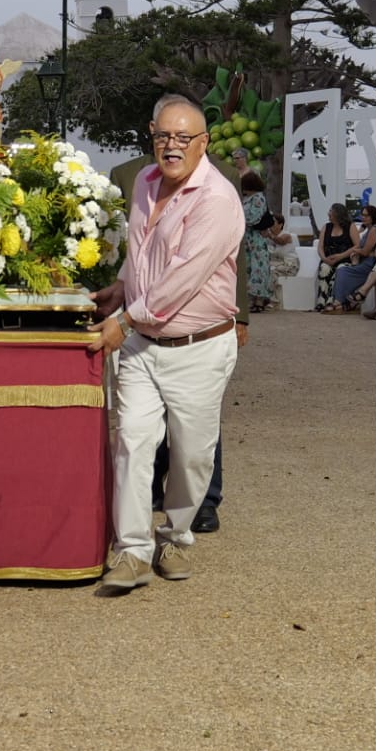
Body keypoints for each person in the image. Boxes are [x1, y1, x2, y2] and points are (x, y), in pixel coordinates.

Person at [91, 95, 241, 590]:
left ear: (204, 143)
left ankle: (174, 535)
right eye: (163, 137)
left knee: (193, 456)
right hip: (143, 347)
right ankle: (132, 551)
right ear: (152, 135)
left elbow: (181, 280)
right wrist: (121, 285)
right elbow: (143, 253)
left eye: (183, 138)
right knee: (132, 440)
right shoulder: (143, 183)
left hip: (199, 347)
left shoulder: (217, 200)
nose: (171, 147)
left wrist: (124, 320)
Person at [327, 205, 376, 313]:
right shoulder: (367, 228)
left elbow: (365, 251)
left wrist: (355, 251)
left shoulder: (374, 229)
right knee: (342, 269)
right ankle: (341, 303)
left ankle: (339, 303)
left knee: (343, 271)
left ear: (373, 217)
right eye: (362, 215)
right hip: (364, 261)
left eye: (366, 215)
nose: (363, 217)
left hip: (369, 263)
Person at [239, 172, 274, 311]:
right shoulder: (247, 198)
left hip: (256, 238)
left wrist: (239, 219)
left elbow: (254, 217)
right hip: (247, 237)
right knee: (248, 267)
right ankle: (251, 299)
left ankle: (259, 300)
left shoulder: (258, 198)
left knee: (258, 268)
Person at [314, 203, 355, 313]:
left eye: (331, 211)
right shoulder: (326, 227)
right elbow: (320, 247)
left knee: (340, 270)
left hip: (344, 259)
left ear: (338, 214)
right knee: (324, 268)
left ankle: (331, 301)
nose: (329, 213)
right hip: (328, 258)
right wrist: (324, 258)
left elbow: (357, 246)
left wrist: (341, 256)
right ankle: (321, 301)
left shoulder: (350, 226)